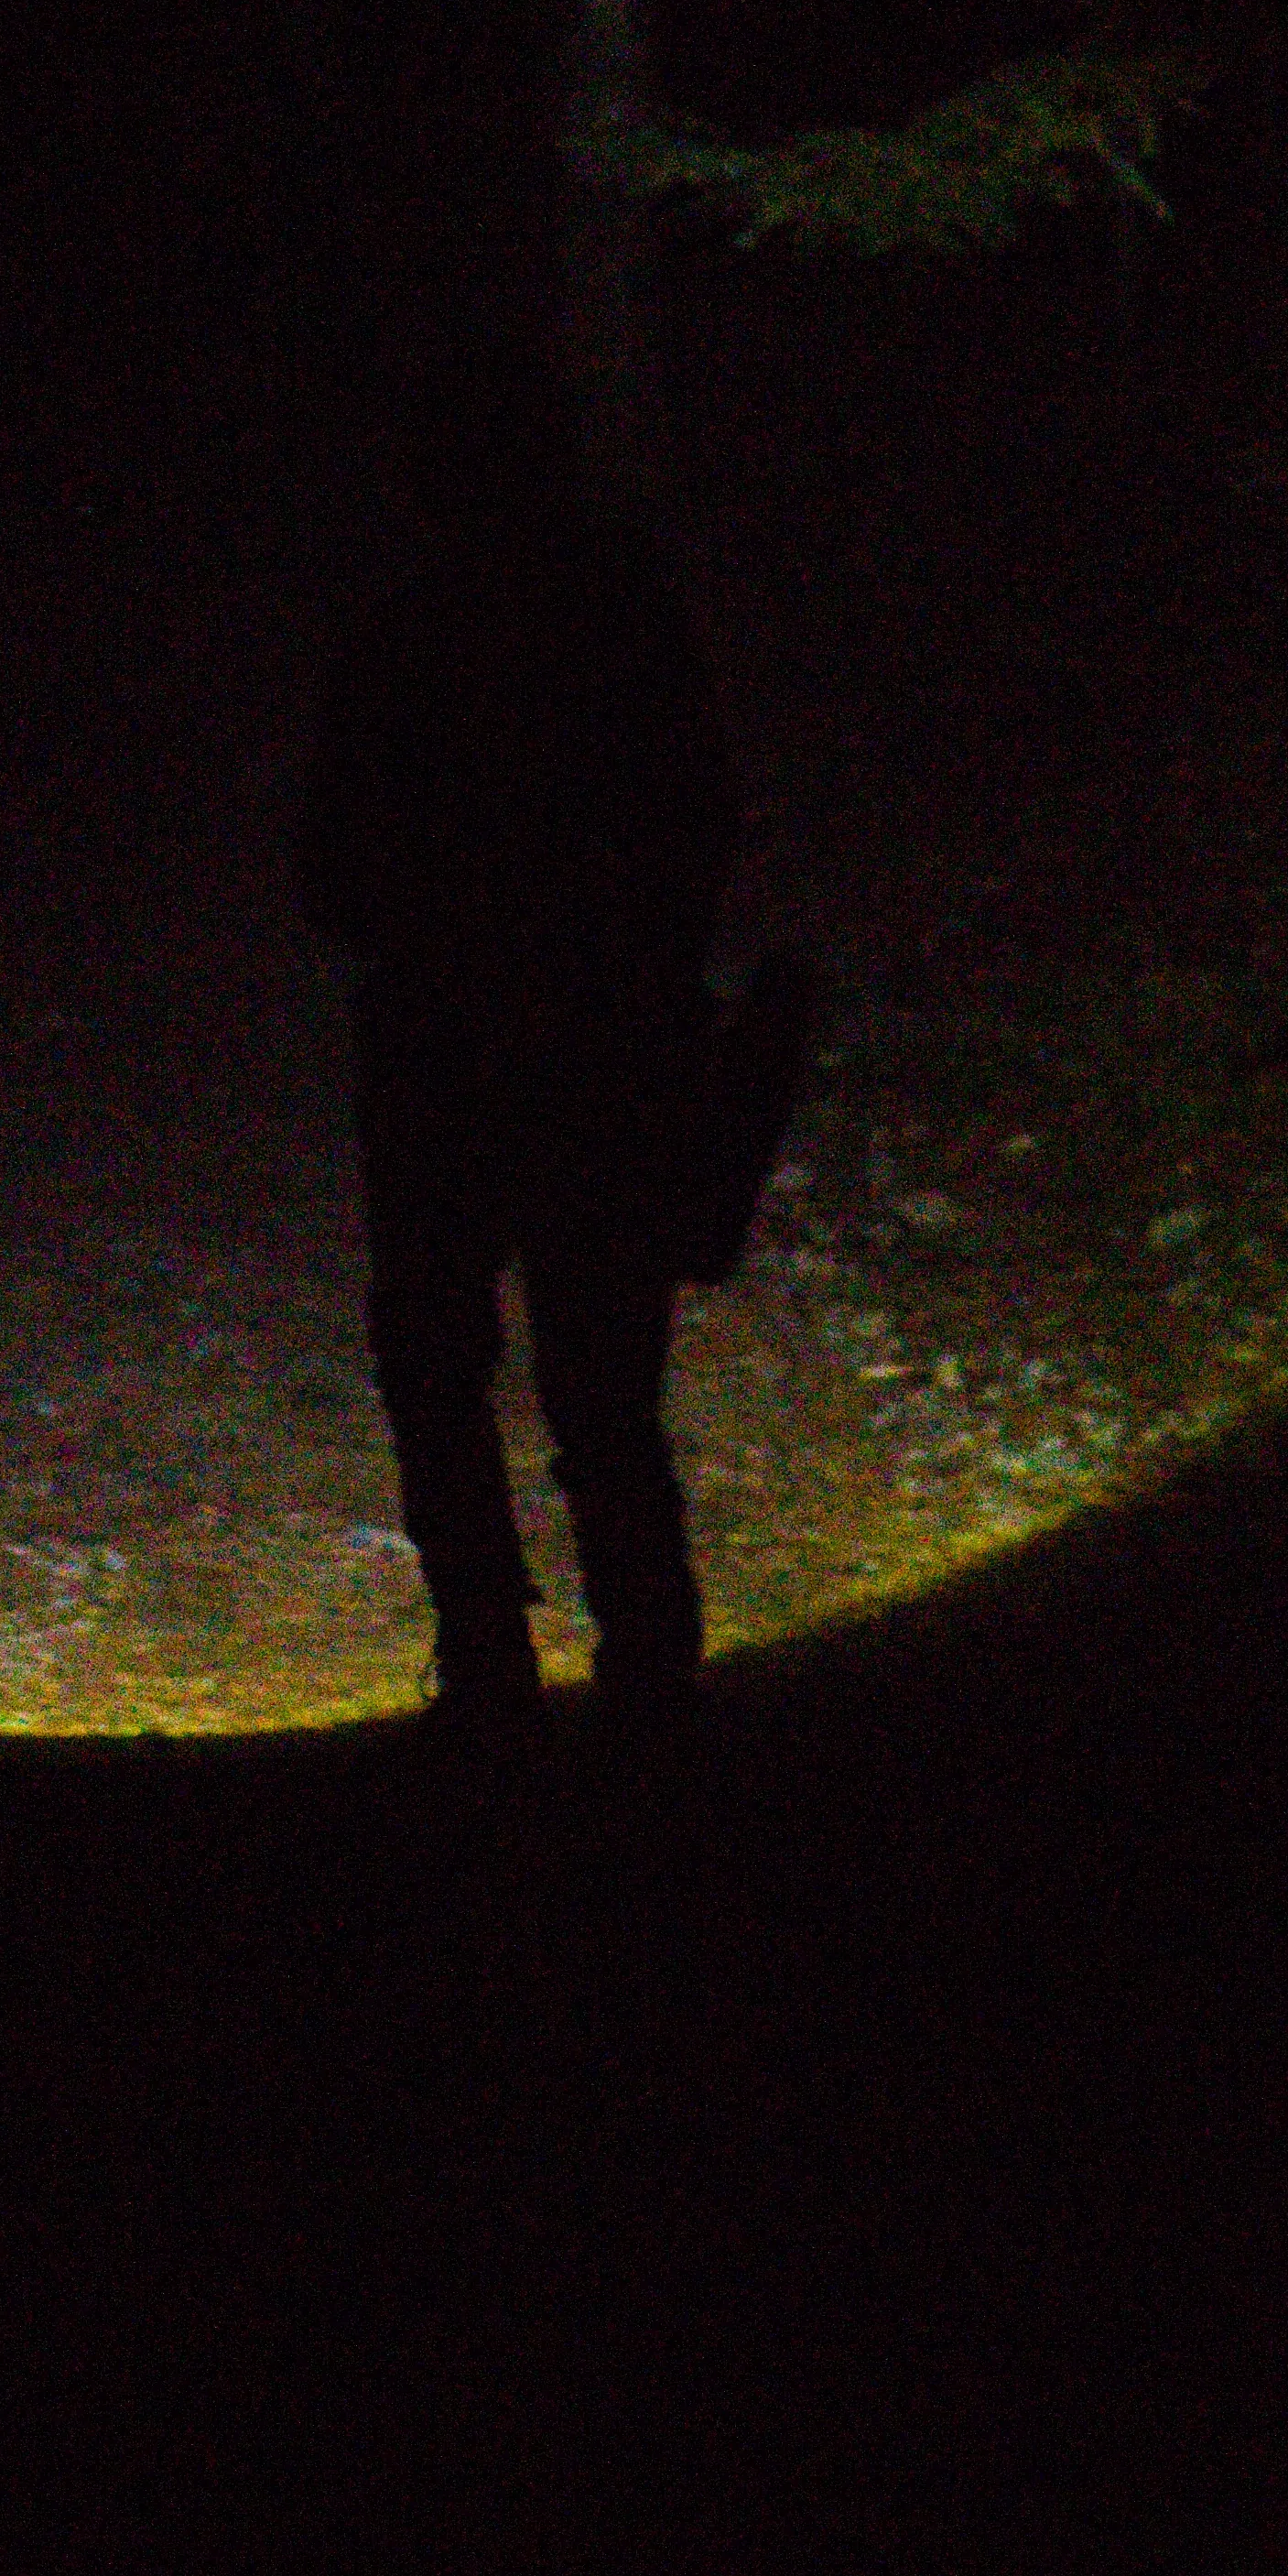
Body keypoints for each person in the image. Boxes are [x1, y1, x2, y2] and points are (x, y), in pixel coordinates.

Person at [298, 344, 807, 1733]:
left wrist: (442, 927)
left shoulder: (403, 637)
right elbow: (702, 816)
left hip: (451, 1044)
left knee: (439, 1359)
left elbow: (327, 871)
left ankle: (485, 1650)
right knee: (599, 1371)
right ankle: (645, 1647)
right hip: (600, 1036)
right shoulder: (622, 616)